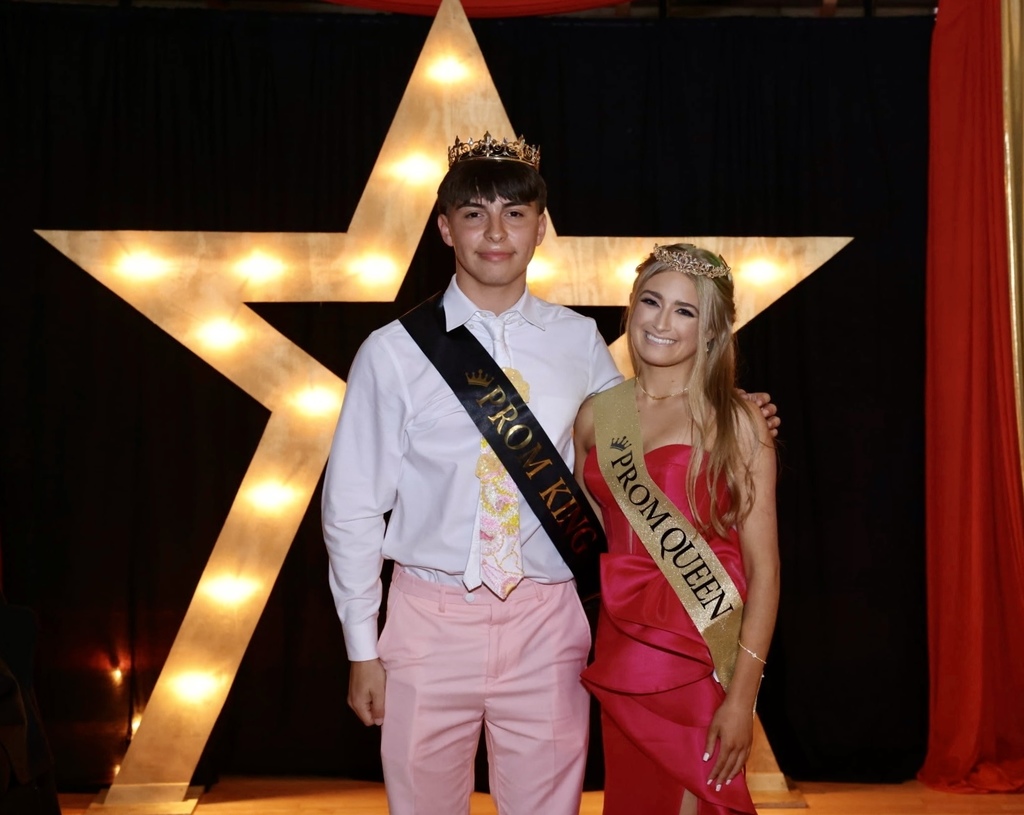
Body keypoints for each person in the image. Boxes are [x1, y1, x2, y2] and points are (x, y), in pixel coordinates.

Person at [322, 135, 779, 815]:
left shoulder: (579, 343)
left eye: (514, 214)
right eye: (474, 214)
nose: (495, 232)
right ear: (446, 228)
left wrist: (727, 403)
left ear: (541, 228)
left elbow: (642, 425)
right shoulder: (392, 353)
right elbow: (352, 507)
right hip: (427, 622)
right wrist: (363, 645)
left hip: (548, 622)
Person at [574, 243, 780, 815]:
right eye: (651, 302)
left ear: (712, 331)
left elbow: (766, 573)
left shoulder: (737, 421)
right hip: (622, 648)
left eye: (685, 311)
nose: (662, 323)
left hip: (699, 649)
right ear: (631, 309)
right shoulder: (597, 417)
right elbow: (590, 541)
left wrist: (742, 699)